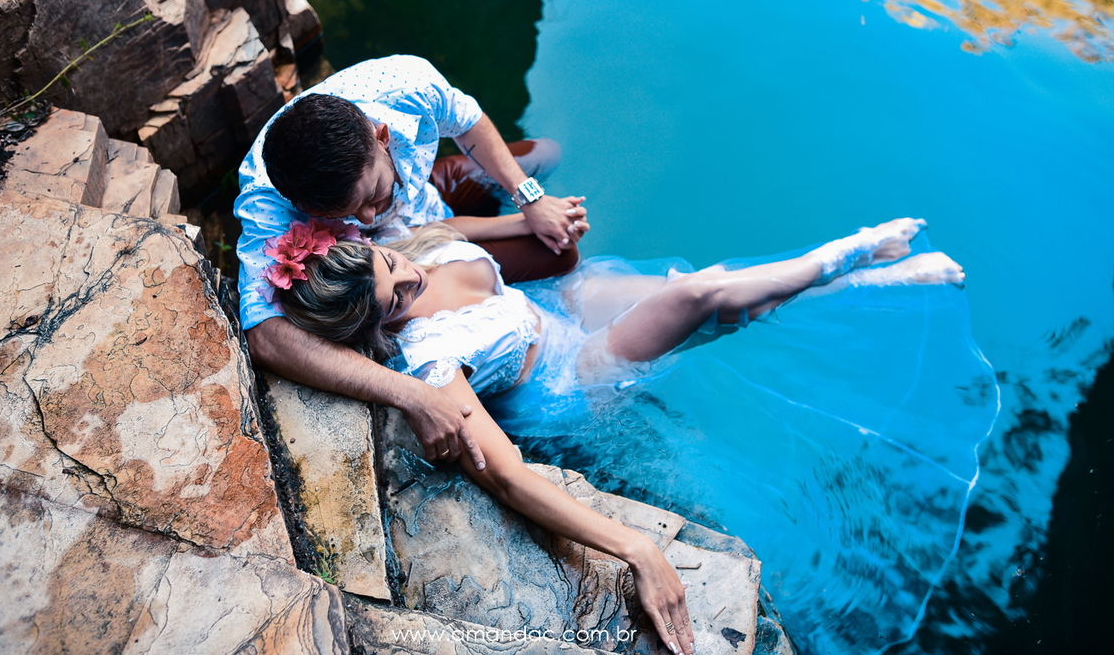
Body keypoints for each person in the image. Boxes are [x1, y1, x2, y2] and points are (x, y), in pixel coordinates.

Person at [261, 215, 965, 654]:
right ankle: (855, 253)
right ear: (377, 328)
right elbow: (506, 477)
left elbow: (458, 237)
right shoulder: (431, 362)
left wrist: (532, 209)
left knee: (723, 292)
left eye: (395, 267)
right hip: (572, 377)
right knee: (697, 296)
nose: (412, 277)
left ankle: (873, 282)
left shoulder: (401, 241)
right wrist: (637, 547)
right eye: (398, 298)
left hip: (553, 307)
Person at [235, 55, 589, 473]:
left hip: (428, 207)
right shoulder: (267, 199)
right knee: (561, 256)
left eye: (372, 196)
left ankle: (463, 184)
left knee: (549, 162)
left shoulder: (408, 86)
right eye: (345, 214)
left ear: (382, 136)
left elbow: (467, 119)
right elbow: (265, 336)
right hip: (398, 255)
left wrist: (529, 199)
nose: (367, 218)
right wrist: (411, 393)